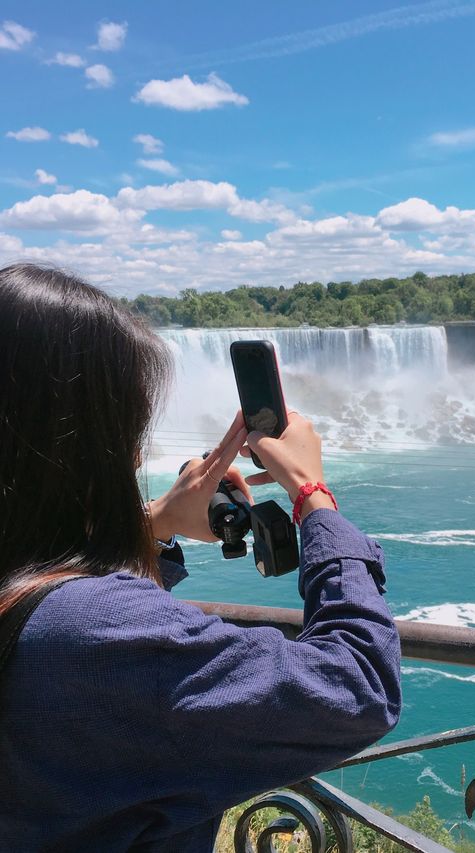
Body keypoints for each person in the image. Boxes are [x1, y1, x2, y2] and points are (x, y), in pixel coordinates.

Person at [0, 264, 401, 852]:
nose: (136, 454)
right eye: (127, 427)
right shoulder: (103, 632)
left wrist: (152, 526)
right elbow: (357, 688)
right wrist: (315, 500)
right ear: (80, 444)